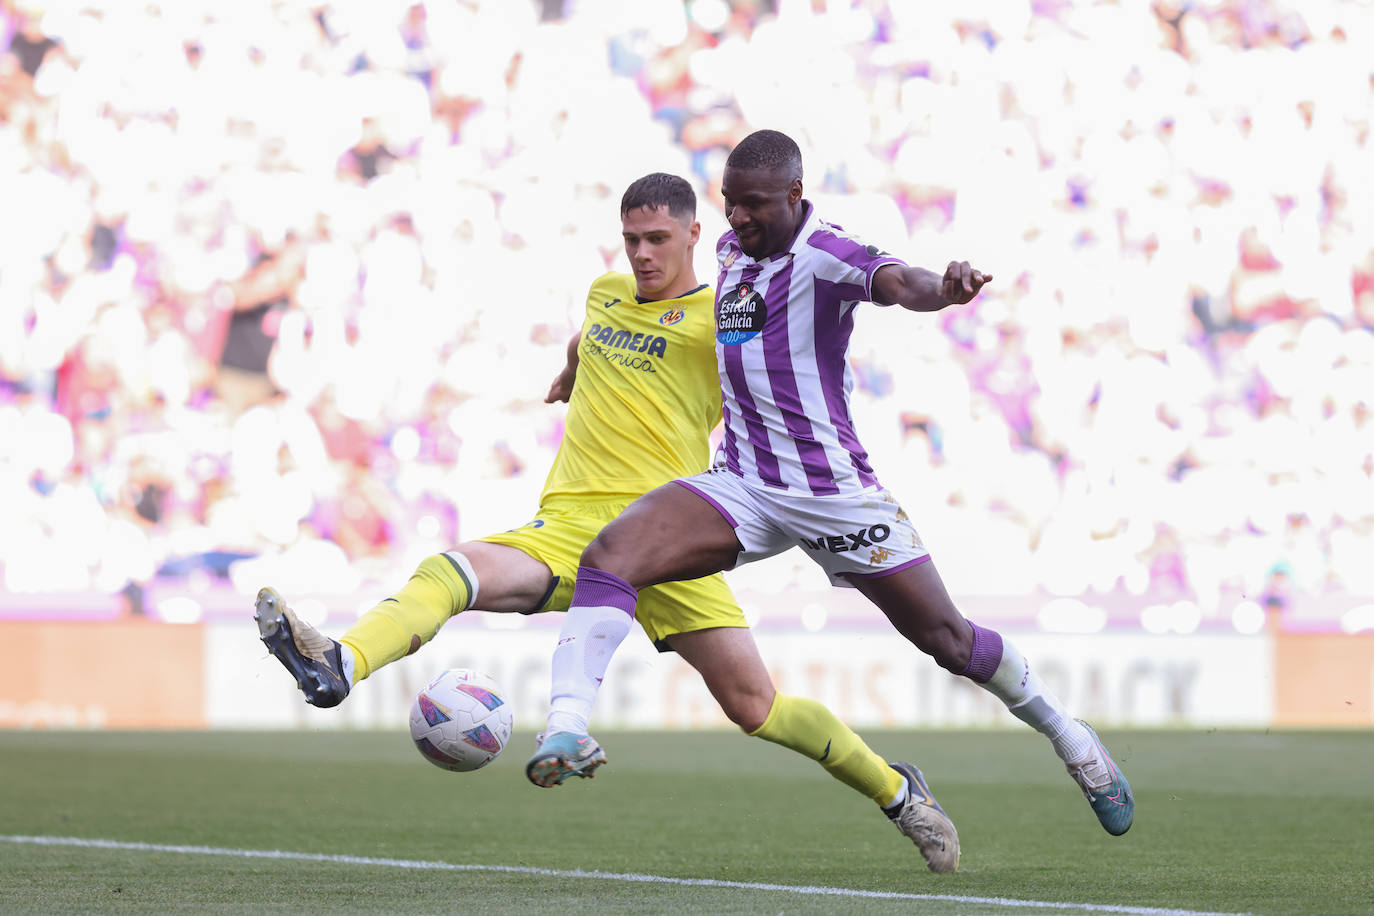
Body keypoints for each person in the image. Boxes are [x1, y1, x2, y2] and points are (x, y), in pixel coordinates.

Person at [255, 172, 961, 873]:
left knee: (757, 708)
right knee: (453, 571)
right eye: (631, 240)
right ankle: (339, 664)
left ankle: (900, 795)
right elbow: (588, 334)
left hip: (676, 534)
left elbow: (790, 379)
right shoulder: (606, 294)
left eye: (658, 239)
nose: (643, 254)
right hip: (574, 527)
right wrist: (571, 373)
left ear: (694, 234)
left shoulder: (727, 319)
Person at [532, 131, 1135, 848]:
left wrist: (943, 291)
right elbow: (609, 320)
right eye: (731, 203)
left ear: (794, 194)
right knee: (612, 552)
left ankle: (1072, 738)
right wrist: (576, 367)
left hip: (832, 492)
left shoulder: (826, 252)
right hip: (746, 483)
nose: (739, 218)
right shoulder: (729, 251)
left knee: (948, 640)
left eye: (754, 205)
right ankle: (566, 729)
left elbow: (896, 281)